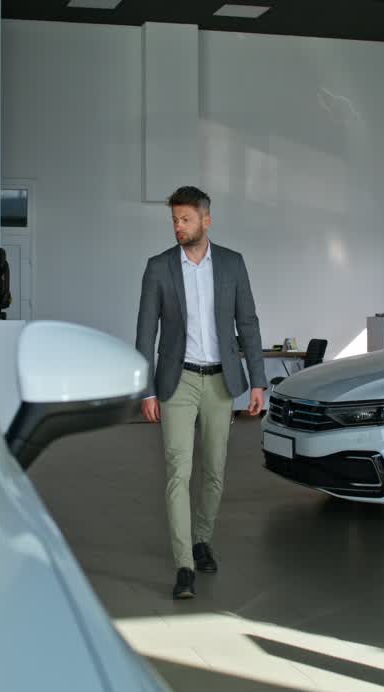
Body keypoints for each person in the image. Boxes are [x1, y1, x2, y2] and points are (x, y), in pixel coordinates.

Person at [135, 186, 266, 599]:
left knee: (214, 470)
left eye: (185, 219)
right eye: (174, 219)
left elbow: (248, 323)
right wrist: (147, 389)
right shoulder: (159, 268)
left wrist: (258, 381)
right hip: (178, 380)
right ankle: (184, 566)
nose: (178, 226)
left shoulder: (231, 264)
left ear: (206, 220)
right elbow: (145, 331)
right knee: (178, 471)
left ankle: (201, 539)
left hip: (221, 381)